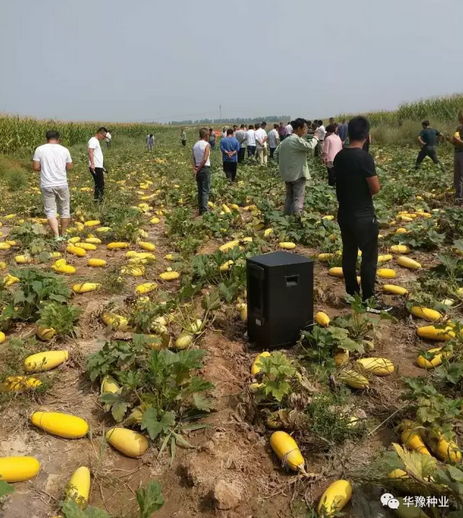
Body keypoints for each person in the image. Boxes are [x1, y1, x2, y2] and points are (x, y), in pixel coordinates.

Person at [333, 116, 389, 313]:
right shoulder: (364, 158)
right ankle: (369, 300)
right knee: (369, 258)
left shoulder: (340, 156)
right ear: (367, 135)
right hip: (363, 215)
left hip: (344, 213)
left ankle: (352, 294)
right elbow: (375, 188)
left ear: (349, 133)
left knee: (349, 254)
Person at [274, 118, 319, 216]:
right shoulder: (296, 140)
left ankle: (287, 217)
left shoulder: (285, 141)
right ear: (298, 128)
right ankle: (298, 219)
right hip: (298, 174)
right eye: (305, 128)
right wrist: (315, 138)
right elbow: (310, 146)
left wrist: (284, 164)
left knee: (289, 197)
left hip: (287, 174)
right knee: (298, 199)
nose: (305, 131)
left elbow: (275, 154)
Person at [32, 131, 73, 240]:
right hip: (62, 183)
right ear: (58, 139)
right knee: (65, 210)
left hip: (47, 184)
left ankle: (56, 235)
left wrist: (45, 168)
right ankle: (63, 234)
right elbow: (69, 167)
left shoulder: (40, 149)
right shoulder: (64, 150)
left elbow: (35, 167)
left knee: (50, 211)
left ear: (47, 139)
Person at [192, 128, 211, 215]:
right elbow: (205, 158)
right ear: (206, 135)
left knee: (200, 190)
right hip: (204, 168)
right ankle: (204, 211)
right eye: (208, 135)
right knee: (205, 190)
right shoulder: (207, 145)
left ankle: (200, 209)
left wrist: (195, 168)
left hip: (197, 169)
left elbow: (193, 158)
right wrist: (199, 168)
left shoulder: (195, 145)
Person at [88, 127, 108, 201]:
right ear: (100, 133)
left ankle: (96, 199)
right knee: (100, 184)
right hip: (95, 166)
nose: (104, 138)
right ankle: (100, 200)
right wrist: (92, 164)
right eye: (104, 136)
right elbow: (90, 151)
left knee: (98, 183)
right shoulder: (93, 140)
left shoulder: (96, 141)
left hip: (98, 166)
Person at [449, 111, 463, 202]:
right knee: (457, 175)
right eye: (460, 118)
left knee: (462, 175)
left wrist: (458, 141)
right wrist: (450, 140)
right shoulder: (459, 128)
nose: (461, 120)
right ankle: (458, 194)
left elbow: (459, 142)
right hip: (457, 152)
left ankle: (461, 196)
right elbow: (455, 143)